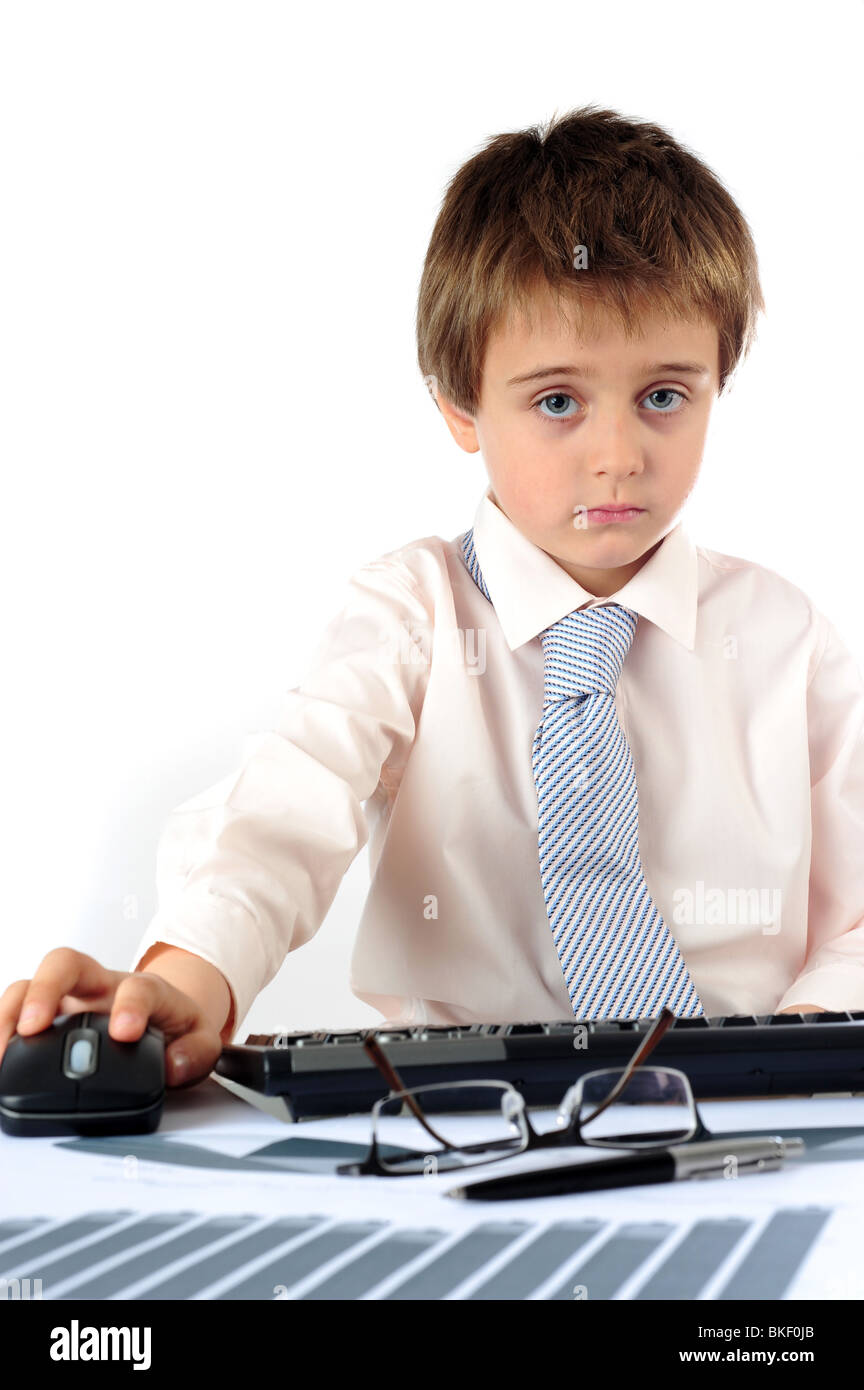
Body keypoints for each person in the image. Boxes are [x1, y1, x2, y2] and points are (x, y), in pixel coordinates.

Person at [3, 105, 862, 1090]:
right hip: (471, 1117)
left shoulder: (785, 641)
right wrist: (189, 972)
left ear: (719, 381)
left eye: (665, 395)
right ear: (459, 406)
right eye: (557, 402)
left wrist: (792, 1056)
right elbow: (285, 812)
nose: (619, 455)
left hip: (755, 1116)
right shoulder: (412, 617)